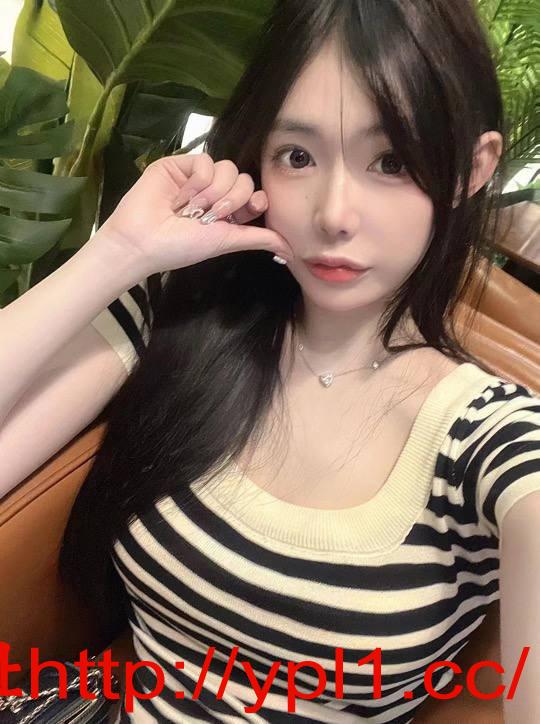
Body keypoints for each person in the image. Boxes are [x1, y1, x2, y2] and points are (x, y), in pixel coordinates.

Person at [1, 0, 539, 721]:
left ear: (470, 169)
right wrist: (119, 253)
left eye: (391, 161)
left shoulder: (493, 440)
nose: (334, 214)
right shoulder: (185, 316)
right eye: (298, 157)